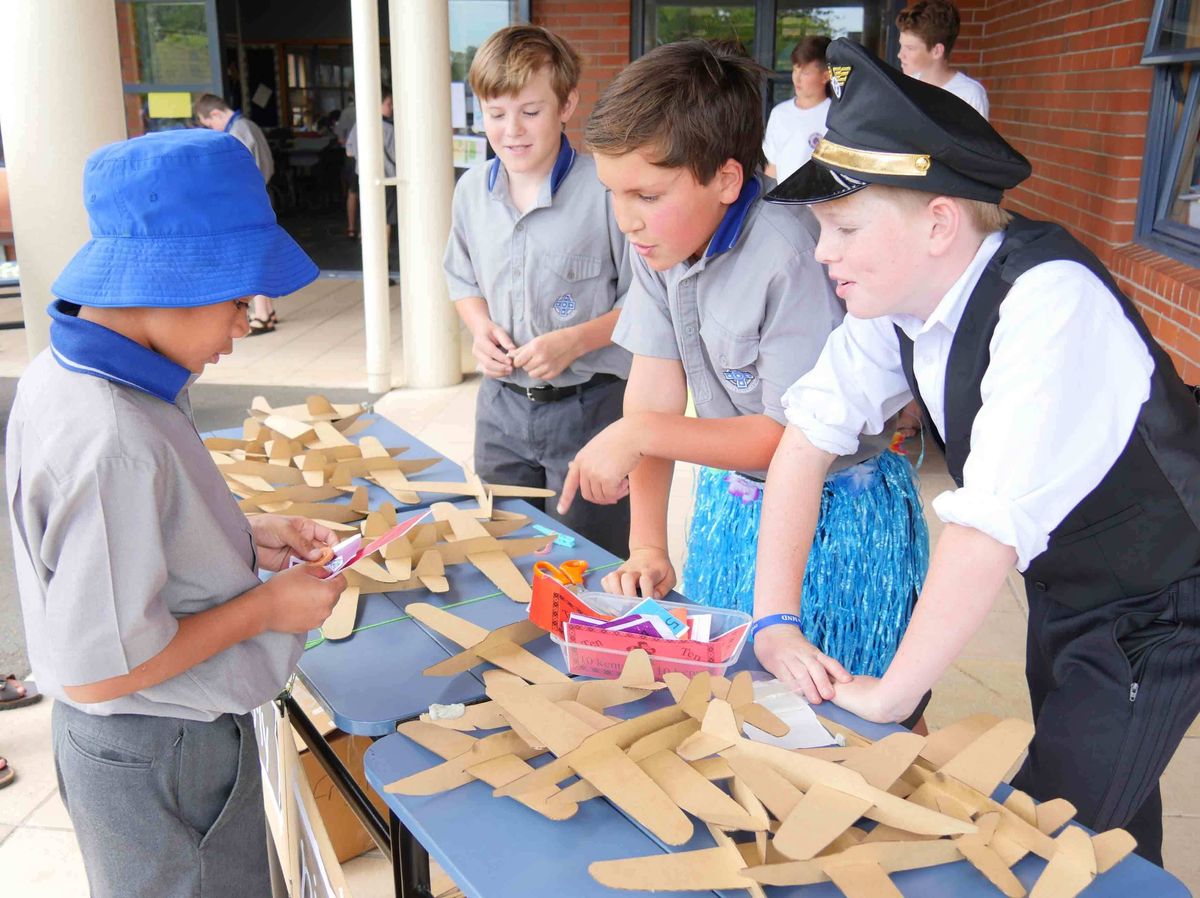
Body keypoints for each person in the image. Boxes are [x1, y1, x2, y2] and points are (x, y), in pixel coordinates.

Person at [758, 37, 1200, 865]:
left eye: (844, 226)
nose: (822, 252)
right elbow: (805, 440)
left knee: (1047, 830)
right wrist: (775, 623)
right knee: (1110, 803)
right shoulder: (895, 299)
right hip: (1069, 580)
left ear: (938, 222)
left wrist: (892, 695)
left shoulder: (1048, 302)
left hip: (1160, 596)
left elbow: (984, 532)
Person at [7, 128, 347, 896]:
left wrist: (243, 535)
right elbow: (103, 671)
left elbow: (123, 538)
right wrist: (268, 608)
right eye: (236, 299)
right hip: (158, 747)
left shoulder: (73, 372)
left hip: (145, 740)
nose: (245, 322)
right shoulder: (111, 437)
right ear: (166, 281)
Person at [557, 40, 929, 701]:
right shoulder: (658, 245)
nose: (626, 219)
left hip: (837, 520)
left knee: (858, 702)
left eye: (647, 193)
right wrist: (647, 546)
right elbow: (652, 398)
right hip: (731, 509)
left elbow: (788, 439)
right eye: (613, 193)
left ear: (726, 179)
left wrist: (639, 434)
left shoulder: (791, 255)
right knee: (741, 699)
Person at [443, 25, 633, 555]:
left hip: (589, 409)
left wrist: (575, 341)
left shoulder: (606, 190)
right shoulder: (470, 191)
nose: (512, 131)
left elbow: (647, 302)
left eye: (530, 111)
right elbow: (461, 276)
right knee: (504, 550)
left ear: (566, 104)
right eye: (495, 114)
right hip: (500, 410)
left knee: (585, 560)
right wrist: (479, 328)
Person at [194, 93, 280, 334]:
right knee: (259, 256)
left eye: (209, 124)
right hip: (259, 199)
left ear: (215, 114)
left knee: (252, 260)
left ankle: (262, 315)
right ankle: (267, 310)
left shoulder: (236, 133)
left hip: (248, 204)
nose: (212, 130)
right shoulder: (249, 125)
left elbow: (236, 176)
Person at [896, 0, 988, 117]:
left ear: (937, 51)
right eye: (901, 46)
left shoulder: (970, 95)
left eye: (910, 48)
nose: (900, 55)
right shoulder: (905, 87)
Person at [763, 36, 832, 184]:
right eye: (795, 70)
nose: (797, 78)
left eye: (805, 73)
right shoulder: (779, 113)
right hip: (782, 197)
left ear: (826, 76)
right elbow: (772, 167)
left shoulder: (835, 117)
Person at [346, 88, 397, 249]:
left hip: (365, 177)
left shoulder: (359, 125)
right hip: (387, 179)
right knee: (386, 219)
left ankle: (367, 251)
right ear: (378, 105)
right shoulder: (389, 129)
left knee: (369, 215)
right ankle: (384, 254)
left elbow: (349, 151)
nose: (392, 107)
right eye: (389, 103)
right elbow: (397, 156)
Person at [335, 99, 359, 237]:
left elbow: (340, 139)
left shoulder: (346, 112)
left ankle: (351, 227)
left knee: (352, 191)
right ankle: (365, 229)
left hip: (352, 156)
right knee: (368, 191)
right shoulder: (374, 111)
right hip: (372, 156)